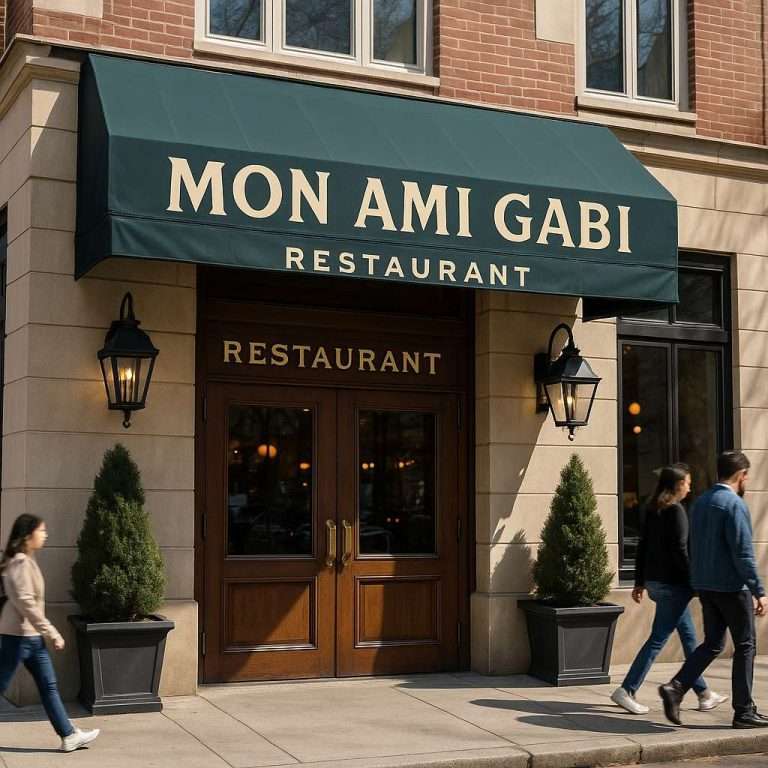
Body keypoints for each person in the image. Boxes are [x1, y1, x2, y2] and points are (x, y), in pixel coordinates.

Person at [659, 451, 768, 728]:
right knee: (745, 645)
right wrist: (759, 590)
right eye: (746, 476)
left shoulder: (701, 502)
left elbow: (694, 547)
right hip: (732, 588)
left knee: (713, 644)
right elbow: (743, 553)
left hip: (706, 587)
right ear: (741, 475)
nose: (747, 480)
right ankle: (743, 711)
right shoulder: (733, 504)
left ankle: (676, 687)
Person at [611, 464, 727, 714]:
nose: (690, 486)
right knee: (657, 639)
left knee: (689, 639)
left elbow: (642, 547)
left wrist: (639, 581)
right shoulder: (676, 511)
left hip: (656, 583)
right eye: (687, 482)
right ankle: (627, 689)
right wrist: (693, 581)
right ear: (676, 485)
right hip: (674, 586)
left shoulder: (653, 510)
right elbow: (681, 552)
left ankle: (704, 694)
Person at [0, 514, 100, 751]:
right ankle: (68, 734)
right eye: (41, 530)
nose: (45, 534)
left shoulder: (25, 561)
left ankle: (68, 735)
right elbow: (26, 603)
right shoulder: (21, 563)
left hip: (30, 637)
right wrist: (52, 631)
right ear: (27, 536)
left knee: (49, 686)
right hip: (19, 637)